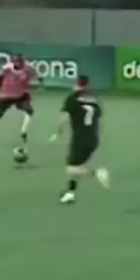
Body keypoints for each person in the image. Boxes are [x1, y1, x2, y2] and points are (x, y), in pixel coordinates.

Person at [50, 75, 110, 205]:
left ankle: (96, 173)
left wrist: (58, 133)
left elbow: (64, 117)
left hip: (80, 138)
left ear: (76, 84)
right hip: (93, 138)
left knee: (71, 168)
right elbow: (97, 115)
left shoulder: (73, 98)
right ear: (88, 85)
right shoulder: (95, 98)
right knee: (79, 165)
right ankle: (70, 193)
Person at [0, 54, 39, 147]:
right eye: (15, 61)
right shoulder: (7, 68)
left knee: (29, 111)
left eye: (19, 61)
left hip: (20, 95)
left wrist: (34, 78)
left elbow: (35, 76)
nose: (17, 63)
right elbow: (0, 78)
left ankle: (23, 132)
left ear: (22, 62)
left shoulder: (28, 69)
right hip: (6, 95)